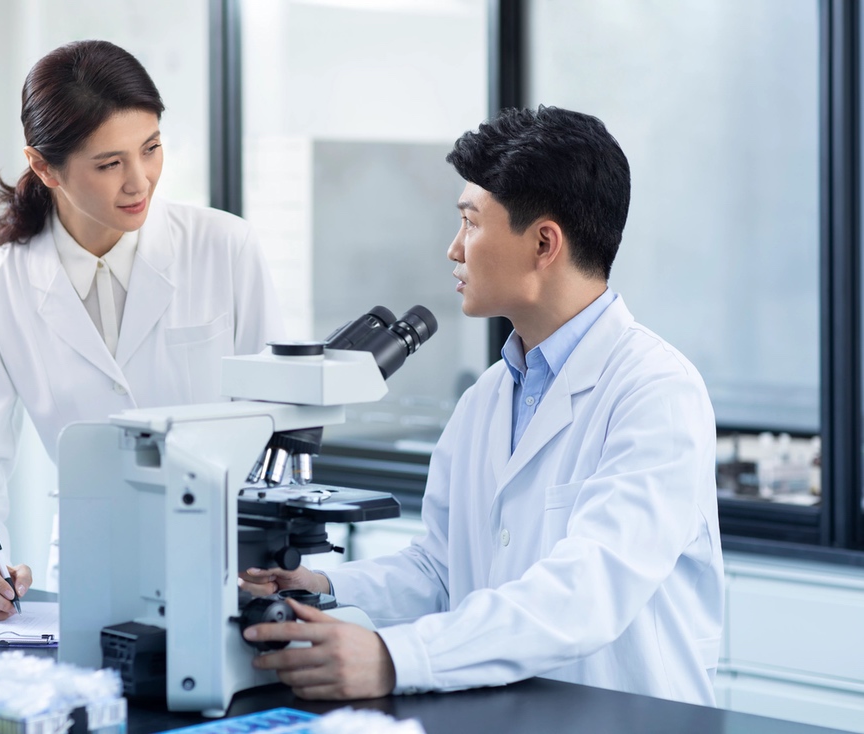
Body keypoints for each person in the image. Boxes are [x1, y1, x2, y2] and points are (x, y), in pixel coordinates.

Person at [240, 106, 724, 706]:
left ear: (544, 243)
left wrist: (395, 658)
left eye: (470, 223)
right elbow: (441, 571)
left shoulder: (655, 391)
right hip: (513, 713)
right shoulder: (487, 398)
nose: (454, 249)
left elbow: (584, 595)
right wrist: (320, 584)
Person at [0, 40, 284, 621]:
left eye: (151, 149)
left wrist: (267, 545)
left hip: (230, 568)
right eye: (109, 164)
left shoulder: (225, 247)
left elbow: (279, 420)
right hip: (89, 575)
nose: (139, 182)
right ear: (44, 167)